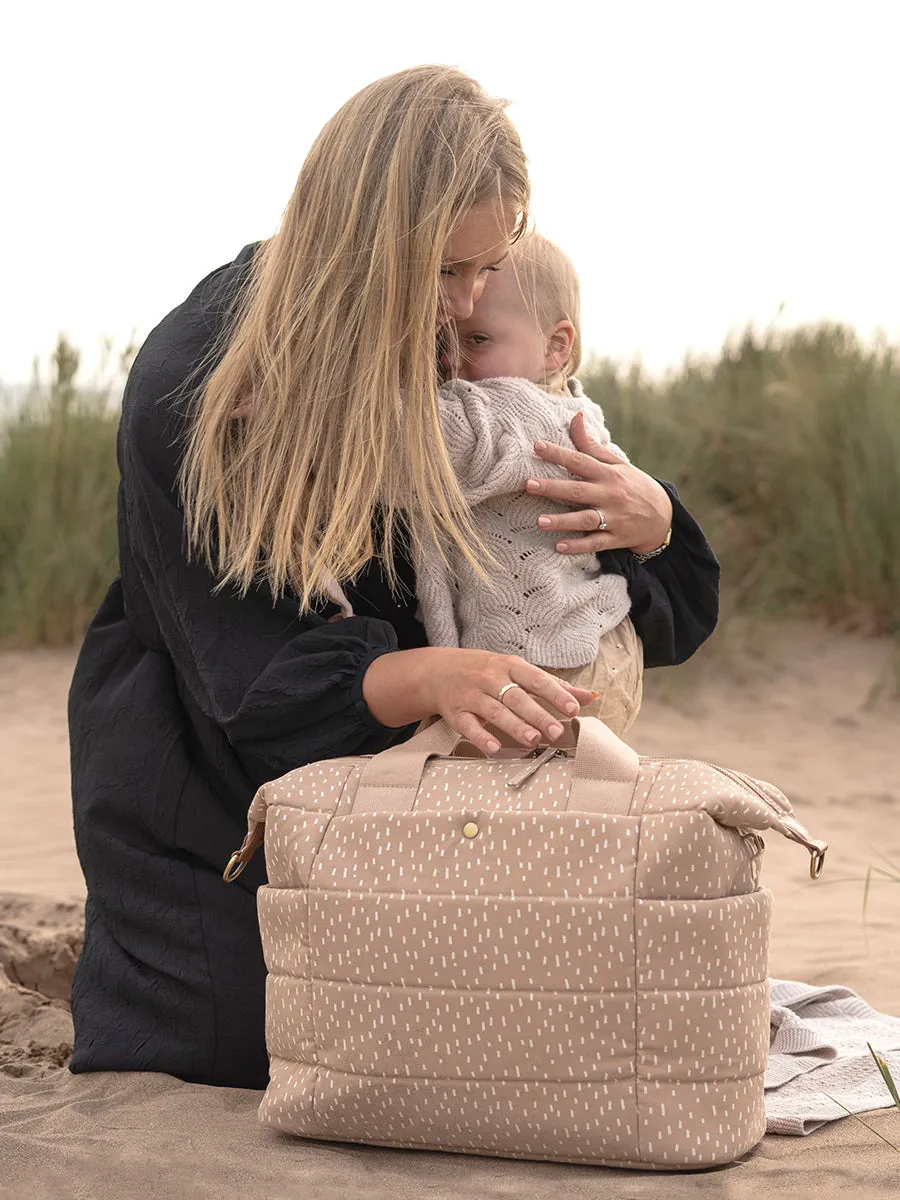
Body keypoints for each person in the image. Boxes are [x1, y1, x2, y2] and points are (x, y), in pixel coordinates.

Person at [68, 66, 719, 1091]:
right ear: (365, 244)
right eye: (444, 271)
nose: (467, 306)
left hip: (425, 769)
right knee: (255, 1042)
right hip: (211, 773)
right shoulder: (202, 380)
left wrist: (655, 523)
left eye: (488, 268)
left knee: (494, 1025)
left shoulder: (462, 347)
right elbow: (250, 686)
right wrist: (433, 676)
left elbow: (610, 580)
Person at [416, 232, 643, 736]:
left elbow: (409, 442)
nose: (452, 358)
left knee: (520, 803)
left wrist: (294, 404)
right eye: (444, 339)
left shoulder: (514, 411)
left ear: (555, 347)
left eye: (477, 340)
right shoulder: (566, 405)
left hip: (558, 661)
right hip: (582, 646)